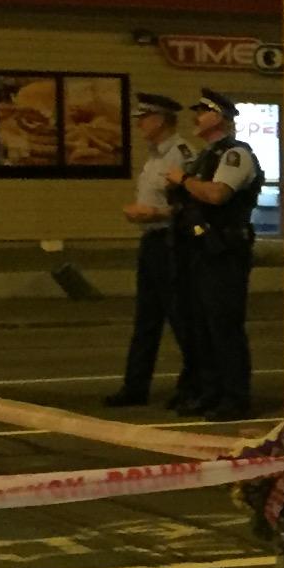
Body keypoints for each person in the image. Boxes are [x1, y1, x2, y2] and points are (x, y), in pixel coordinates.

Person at [169, 92, 262, 420]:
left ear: (220, 117)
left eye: (203, 111)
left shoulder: (235, 155)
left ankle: (234, 396)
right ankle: (210, 392)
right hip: (198, 249)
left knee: (223, 325)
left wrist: (183, 180)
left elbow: (218, 194)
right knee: (200, 325)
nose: (195, 117)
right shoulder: (204, 156)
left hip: (223, 250)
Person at [101, 90, 193, 410]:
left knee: (181, 317)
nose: (139, 124)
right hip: (152, 242)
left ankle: (193, 384)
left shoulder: (181, 155)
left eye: (144, 119)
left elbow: (193, 206)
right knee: (146, 319)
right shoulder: (155, 156)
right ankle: (135, 386)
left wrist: (155, 214)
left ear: (161, 120)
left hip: (173, 243)